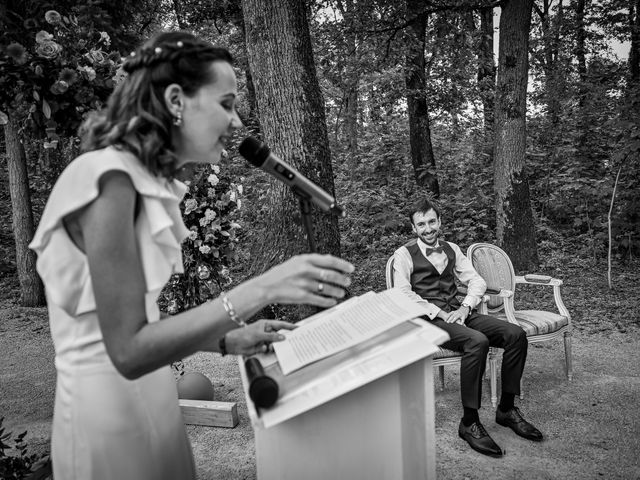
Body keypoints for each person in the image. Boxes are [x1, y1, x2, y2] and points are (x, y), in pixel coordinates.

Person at [29, 31, 354, 480]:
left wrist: (224, 340)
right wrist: (262, 288)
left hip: (158, 403)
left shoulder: (143, 183)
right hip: (107, 422)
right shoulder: (106, 179)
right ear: (177, 100)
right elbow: (125, 350)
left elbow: (137, 319)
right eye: (226, 103)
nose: (237, 122)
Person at [392, 197, 542, 458]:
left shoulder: (451, 248)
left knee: (515, 334)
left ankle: (506, 409)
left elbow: (476, 281)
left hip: (458, 313)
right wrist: (440, 312)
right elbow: (402, 294)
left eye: (431, 222)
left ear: (439, 222)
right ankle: (469, 422)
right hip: (428, 321)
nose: (427, 229)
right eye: (421, 224)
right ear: (413, 228)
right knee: (477, 341)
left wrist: (465, 308)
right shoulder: (404, 255)